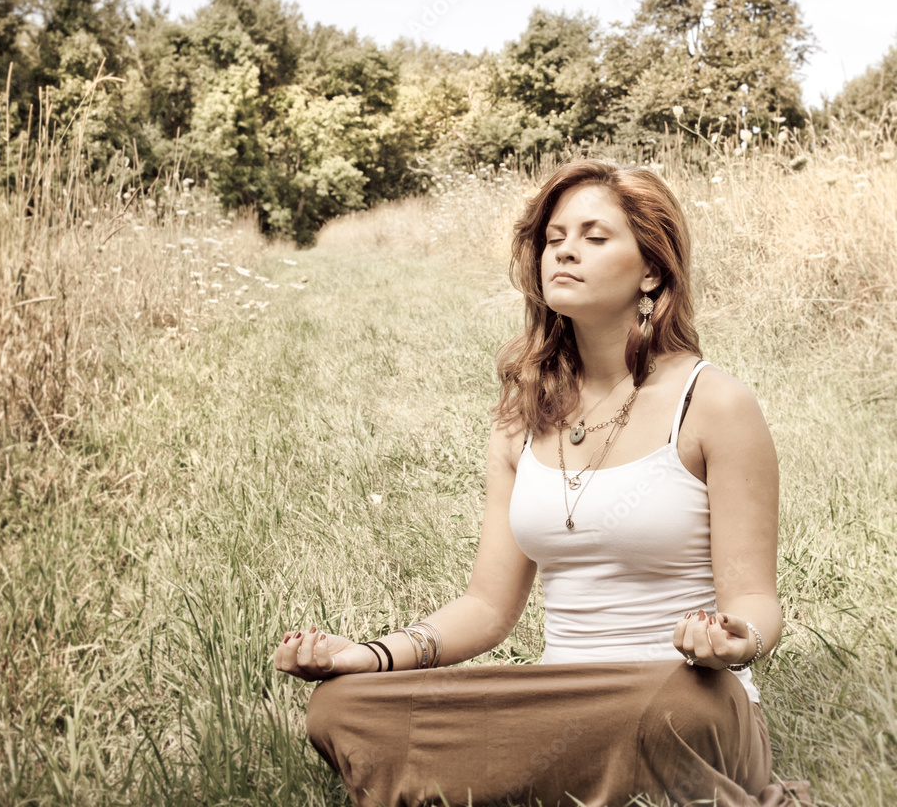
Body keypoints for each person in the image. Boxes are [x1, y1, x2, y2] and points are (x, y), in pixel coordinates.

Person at [274, 160, 811, 807]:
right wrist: (372, 656)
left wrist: (734, 640)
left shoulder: (714, 405)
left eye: (594, 236)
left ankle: (548, 777)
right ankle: (569, 775)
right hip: (560, 698)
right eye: (554, 239)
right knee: (343, 707)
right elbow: (487, 608)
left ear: (650, 269)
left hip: (682, 693)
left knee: (674, 705)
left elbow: (757, 600)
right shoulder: (522, 418)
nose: (565, 252)